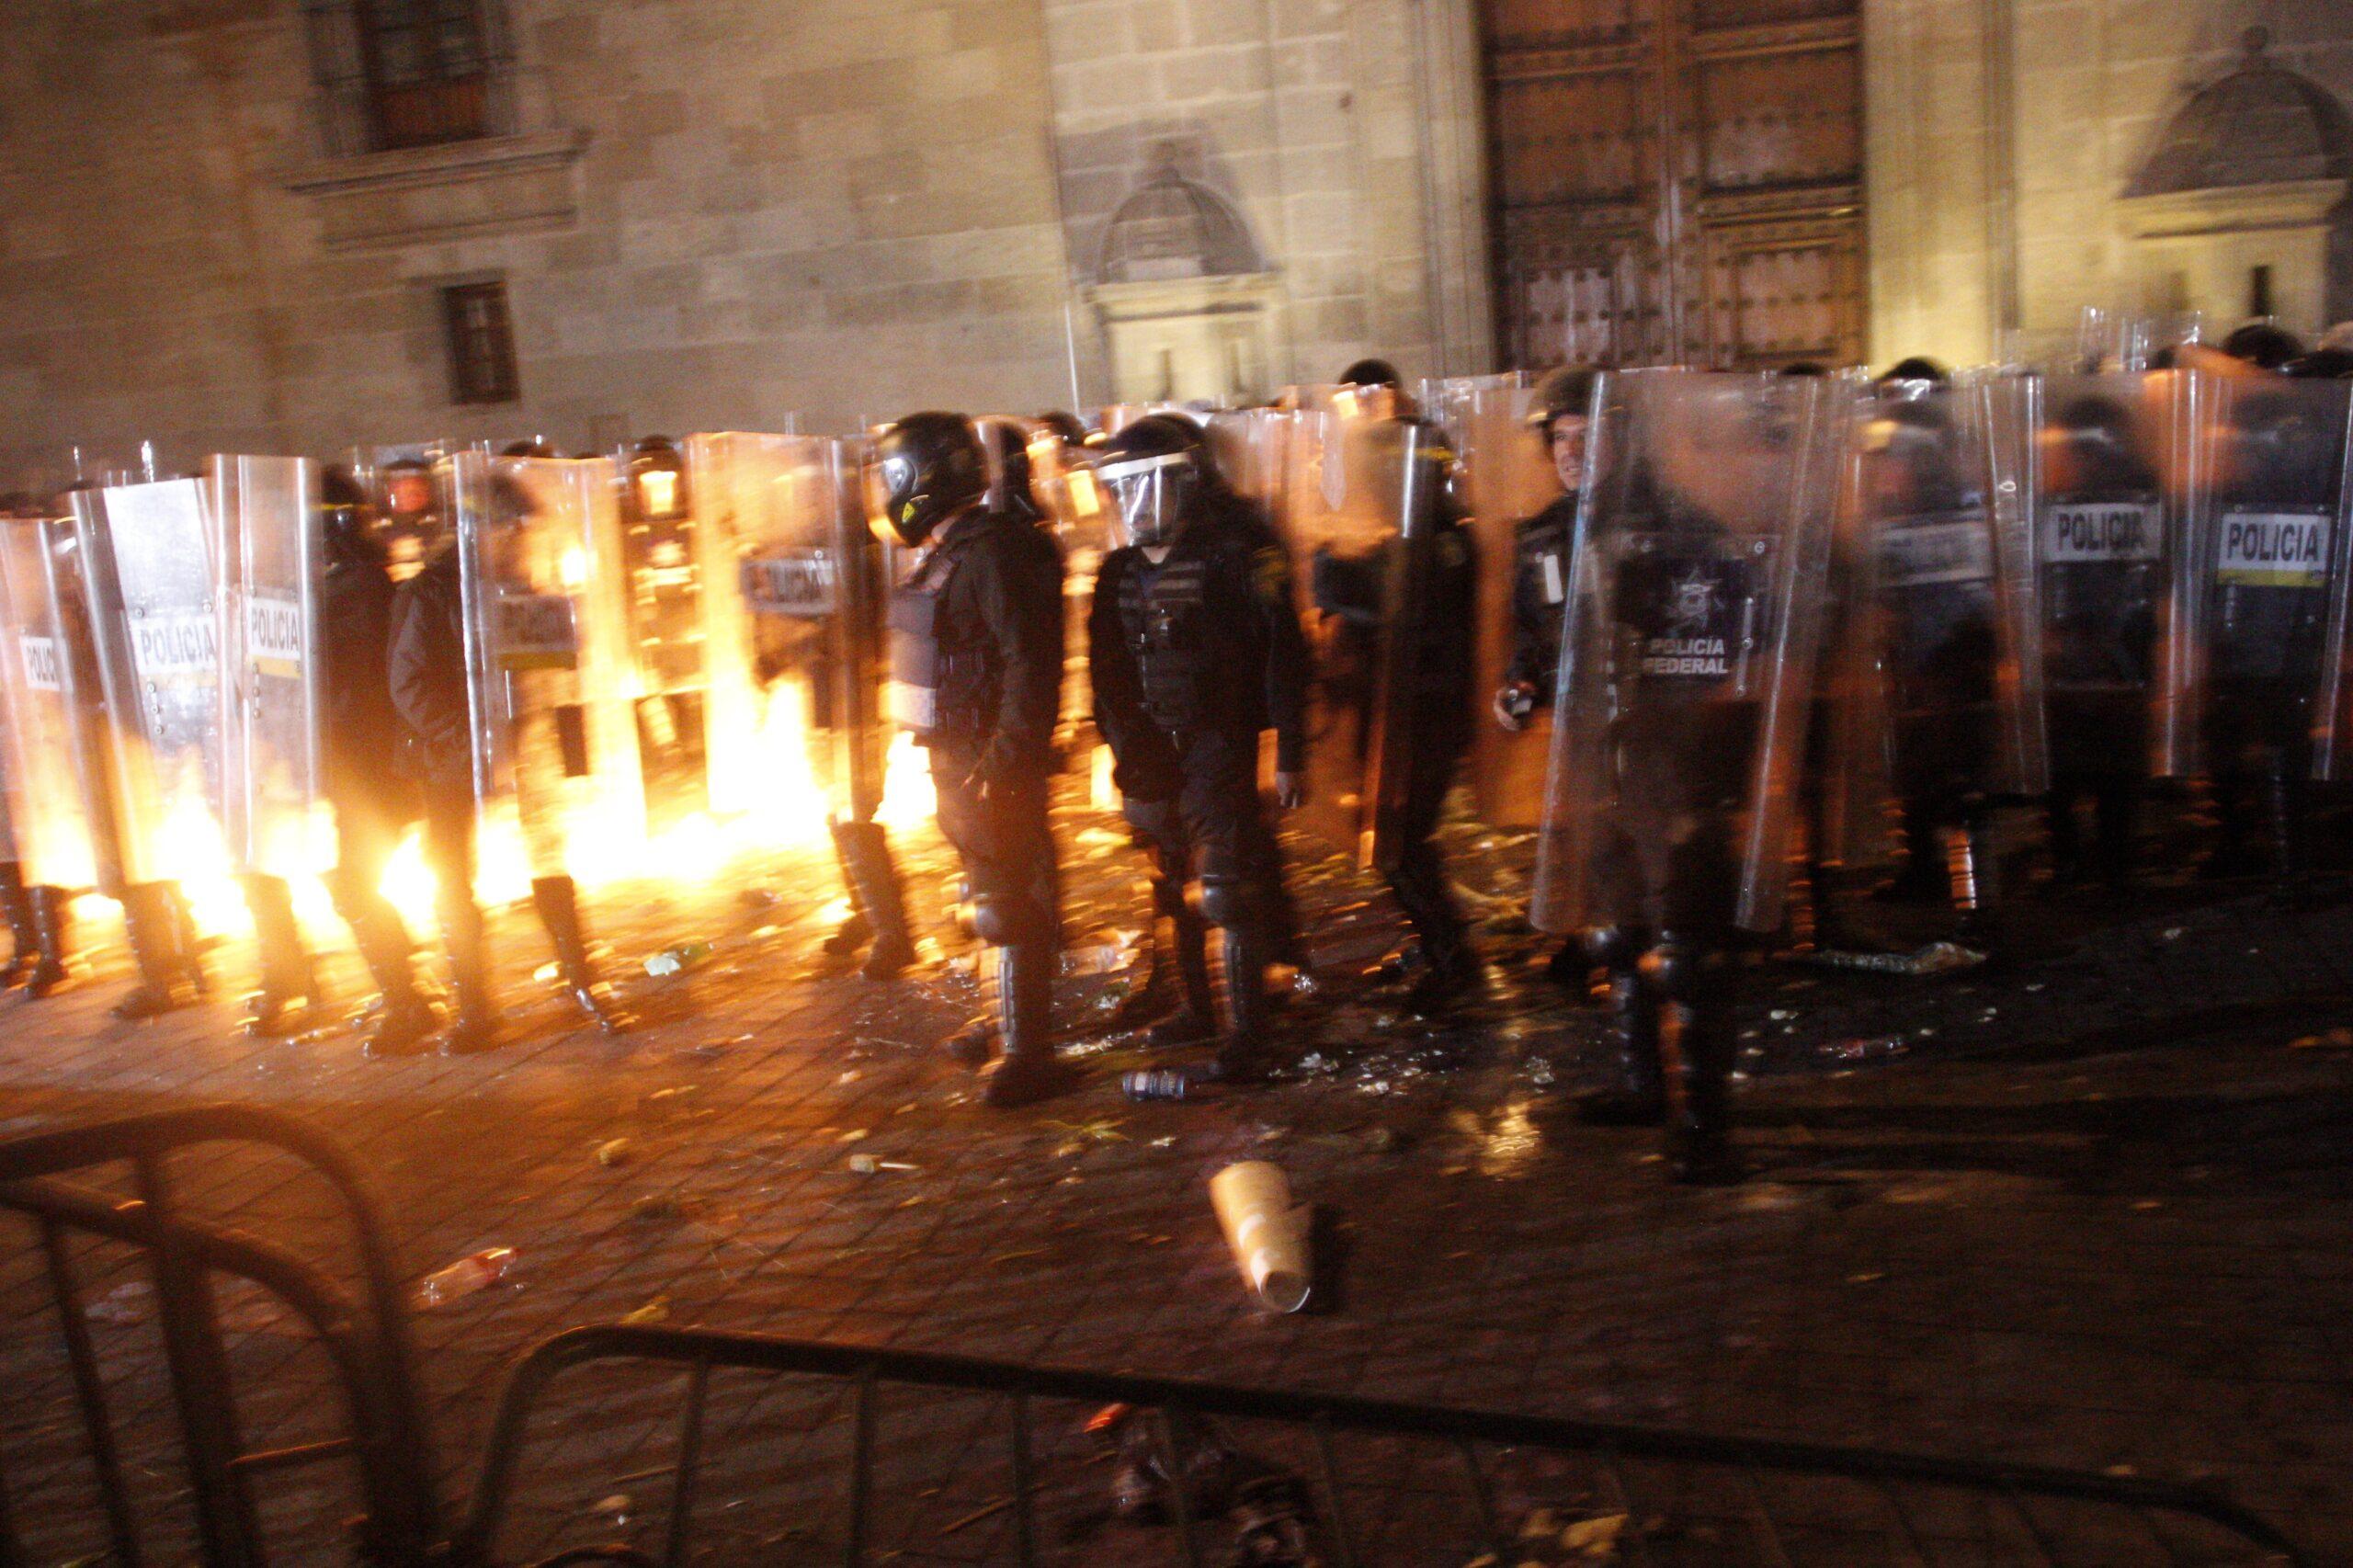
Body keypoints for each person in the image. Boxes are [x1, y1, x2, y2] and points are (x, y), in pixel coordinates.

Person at [1086, 415, 1309, 1078]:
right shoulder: (1117, 574)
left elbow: (1282, 656)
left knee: (1223, 890)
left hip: (1218, 741)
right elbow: (1107, 677)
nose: (1136, 504)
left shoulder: (1230, 558)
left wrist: (1290, 749)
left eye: (1149, 486)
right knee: (1169, 882)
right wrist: (1125, 755)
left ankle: (1247, 1035)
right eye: (1123, 489)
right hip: (1153, 751)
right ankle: (1197, 1006)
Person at [870, 412, 1073, 1107]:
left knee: (1005, 901)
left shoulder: (991, 551)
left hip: (988, 759)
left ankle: (1029, 1054)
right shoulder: (949, 549)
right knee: (985, 897)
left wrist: (1006, 758)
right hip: (957, 757)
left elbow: (1028, 661)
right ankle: (1005, 1019)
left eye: (894, 477)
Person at [389, 466, 623, 1053]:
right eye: (508, 529)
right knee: (452, 878)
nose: (518, 540)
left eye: (521, 531)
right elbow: (409, 682)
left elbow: (556, 683)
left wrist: (568, 757)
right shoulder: (430, 592)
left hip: (523, 753)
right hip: (450, 761)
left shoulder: (521, 589)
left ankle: (581, 982)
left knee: (548, 864)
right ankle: (475, 1008)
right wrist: (468, 744)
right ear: (477, 531)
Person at [1307, 416, 1482, 1014]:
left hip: (1426, 712)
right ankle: (1439, 949)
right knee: (1392, 843)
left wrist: (1334, 575)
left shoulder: (1443, 539)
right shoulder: (1409, 534)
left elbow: (1401, 603)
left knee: (1404, 842)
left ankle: (1454, 959)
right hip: (1397, 711)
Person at [316, 468, 438, 1056]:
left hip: (372, 764)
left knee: (350, 883)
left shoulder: (359, 589)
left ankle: (409, 1000)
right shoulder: (345, 584)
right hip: (355, 764)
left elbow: (364, 686)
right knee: (347, 881)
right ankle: (406, 985)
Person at [1492, 367, 1595, 981]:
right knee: (1573, 833)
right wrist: (1519, 681)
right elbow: (1531, 626)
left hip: (1646, 716)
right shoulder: (1544, 534)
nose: (1572, 453)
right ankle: (1582, 945)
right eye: (1561, 439)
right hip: (1573, 713)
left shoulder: (1658, 518)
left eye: (1586, 437)